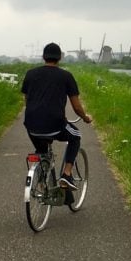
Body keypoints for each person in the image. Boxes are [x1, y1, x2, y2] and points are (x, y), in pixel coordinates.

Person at [20, 42, 92, 191]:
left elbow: (27, 99)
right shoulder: (66, 76)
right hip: (55, 124)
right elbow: (77, 107)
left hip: (31, 125)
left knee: (42, 151)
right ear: (60, 58)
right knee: (76, 136)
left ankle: (41, 181)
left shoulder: (30, 74)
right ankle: (66, 175)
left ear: (43, 57)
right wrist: (85, 117)